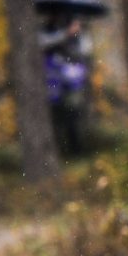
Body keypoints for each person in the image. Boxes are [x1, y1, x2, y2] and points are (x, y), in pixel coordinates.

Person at [39, 14, 92, 157]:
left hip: (72, 80)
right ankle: (59, 150)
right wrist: (65, 34)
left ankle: (76, 150)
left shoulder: (79, 35)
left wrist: (75, 35)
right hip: (52, 80)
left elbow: (85, 50)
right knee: (55, 115)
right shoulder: (48, 29)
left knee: (73, 114)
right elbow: (43, 42)